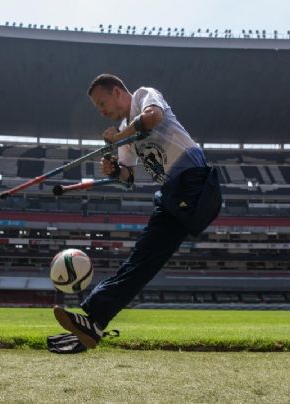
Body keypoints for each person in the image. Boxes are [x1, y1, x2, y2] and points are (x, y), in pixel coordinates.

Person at [53, 73, 222, 349]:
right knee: (142, 258)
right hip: (174, 192)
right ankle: (93, 323)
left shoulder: (145, 96)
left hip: (196, 185)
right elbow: (127, 178)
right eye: (97, 107)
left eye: (102, 103)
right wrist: (114, 169)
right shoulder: (125, 132)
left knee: (144, 257)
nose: (101, 111)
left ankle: (94, 318)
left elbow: (153, 117)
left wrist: (119, 137)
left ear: (118, 92)